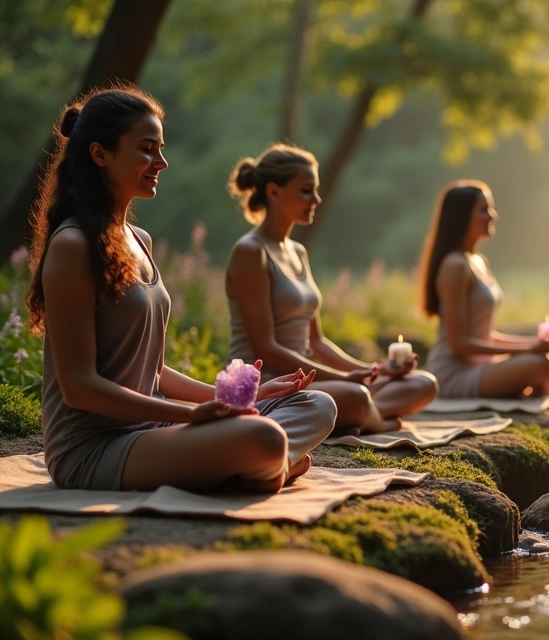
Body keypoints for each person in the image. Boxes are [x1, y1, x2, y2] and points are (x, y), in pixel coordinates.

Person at [27, 86, 336, 493]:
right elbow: (79, 386)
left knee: (318, 405)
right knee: (264, 438)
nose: (162, 162)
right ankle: (258, 463)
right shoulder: (73, 246)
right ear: (101, 154)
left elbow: (151, 370)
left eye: (161, 148)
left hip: (158, 430)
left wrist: (230, 401)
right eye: (146, 149)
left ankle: (254, 467)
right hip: (96, 448)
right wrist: (192, 417)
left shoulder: (139, 240)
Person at [225, 144, 437, 436]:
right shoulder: (250, 251)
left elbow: (318, 342)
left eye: (316, 190)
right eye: (306, 190)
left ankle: (358, 414)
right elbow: (267, 349)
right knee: (355, 395)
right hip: (270, 385)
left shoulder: (298, 252)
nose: (317, 199)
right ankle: (376, 419)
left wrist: (370, 371)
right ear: (273, 192)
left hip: (309, 380)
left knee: (423, 384)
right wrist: (348, 380)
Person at [420, 180, 549, 398]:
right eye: (484, 210)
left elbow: (484, 335)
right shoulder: (454, 266)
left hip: (485, 366)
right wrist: (528, 350)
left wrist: (537, 344)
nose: (493, 216)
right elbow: (459, 344)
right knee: (543, 365)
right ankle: (538, 386)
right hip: (455, 374)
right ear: (461, 217)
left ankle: (534, 385)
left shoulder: (479, 261)